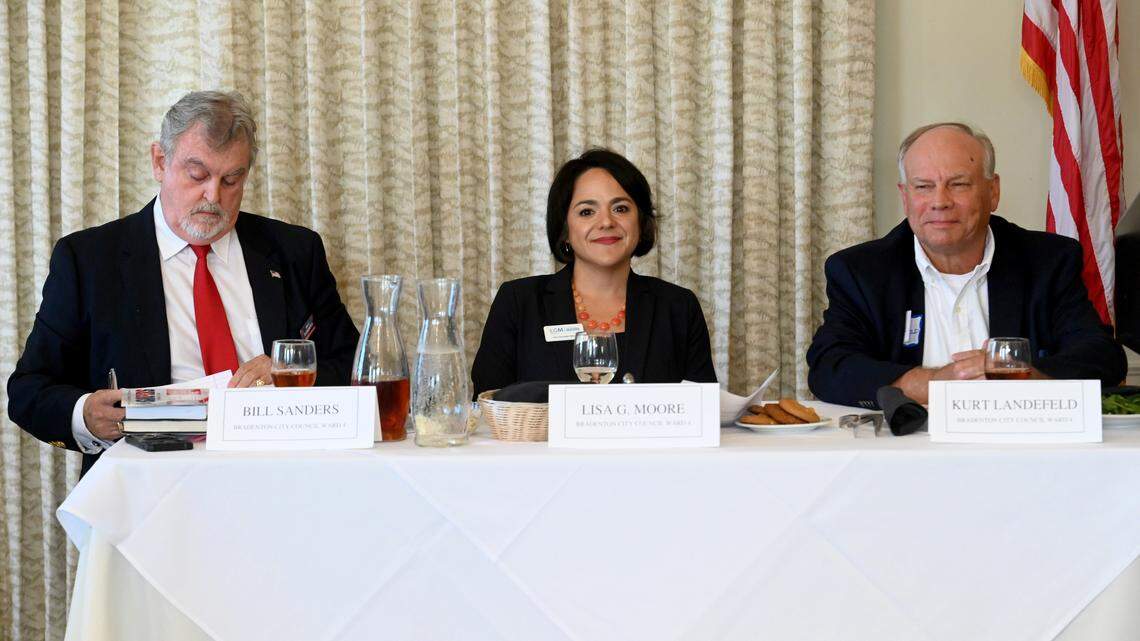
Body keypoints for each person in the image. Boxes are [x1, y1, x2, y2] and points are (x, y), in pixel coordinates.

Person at [7, 90, 359, 472]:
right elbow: (29, 390)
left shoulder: (294, 250)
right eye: (198, 174)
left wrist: (292, 374)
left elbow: (354, 364)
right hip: (149, 487)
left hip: (283, 474)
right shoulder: (90, 259)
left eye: (231, 180)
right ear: (160, 161)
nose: (213, 196)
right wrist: (86, 415)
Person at [807, 122, 1125, 408]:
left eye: (958, 184)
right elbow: (830, 367)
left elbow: (1101, 357)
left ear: (993, 191)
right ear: (905, 197)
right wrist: (936, 383)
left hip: (1021, 449)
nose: (940, 201)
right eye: (923, 186)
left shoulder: (1047, 262)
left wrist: (1022, 377)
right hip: (905, 451)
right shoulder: (861, 271)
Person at [471, 148, 717, 396]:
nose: (606, 222)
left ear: (641, 223)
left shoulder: (678, 307)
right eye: (587, 211)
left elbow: (703, 411)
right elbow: (487, 407)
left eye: (620, 208)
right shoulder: (518, 302)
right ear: (565, 229)